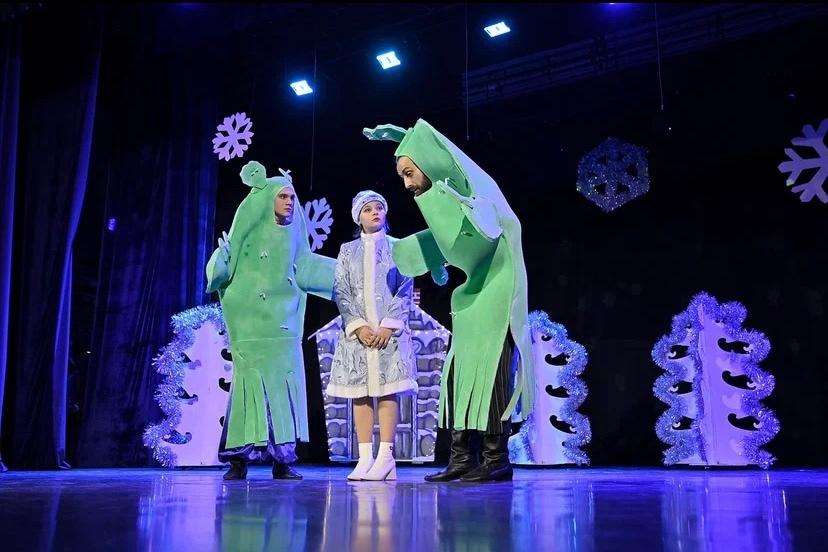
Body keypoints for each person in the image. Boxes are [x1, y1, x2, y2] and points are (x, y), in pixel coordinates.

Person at [363, 119, 535, 483]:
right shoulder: (443, 195)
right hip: (471, 295)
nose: (407, 184)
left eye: (409, 173)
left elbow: (485, 229)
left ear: (428, 162)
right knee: (459, 374)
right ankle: (461, 458)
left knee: (492, 374)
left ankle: (496, 459)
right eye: (402, 176)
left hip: (499, 291)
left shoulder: (477, 191)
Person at [206, 161, 336, 481]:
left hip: (284, 325)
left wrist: (348, 277)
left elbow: (306, 266)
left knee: (284, 391)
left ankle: (284, 459)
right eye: (283, 196)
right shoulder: (249, 231)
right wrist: (219, 266)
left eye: (292, 197)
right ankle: (238, 459)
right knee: (248, 390)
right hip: (251, 327)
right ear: (268, 200)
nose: (289, 202)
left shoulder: (294, 234)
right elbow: (224, 267)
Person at [327, 190, 418, 481]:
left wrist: (388, 326)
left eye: (379, 207)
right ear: (358, 217)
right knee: (361, 392)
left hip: (388, 334)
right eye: (367, 209)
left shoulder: (398, 247)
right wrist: (358, 326)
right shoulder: (347, 250)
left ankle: (386, 457)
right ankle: (365, 457)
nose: (374, 212)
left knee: (388, 389)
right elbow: (341, 289)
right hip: (359, 335)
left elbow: (405, 287)